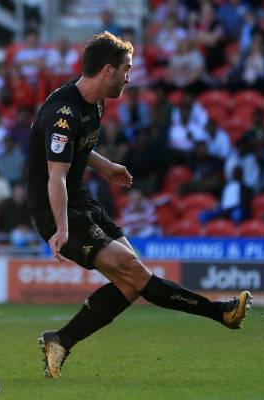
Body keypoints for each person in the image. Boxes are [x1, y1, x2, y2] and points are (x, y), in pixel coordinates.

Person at [27, 32, 252, 379]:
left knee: (131, 284)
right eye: (126, 69)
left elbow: (75, 151)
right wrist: (61, 229)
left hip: (81, 199)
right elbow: (54, 177)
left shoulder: (95, 101)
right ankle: (219, 312)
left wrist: (106, 166)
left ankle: (60, 340)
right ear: (107, 70)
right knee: (134, 272)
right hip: (56, 208)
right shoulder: (63, 112)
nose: (129, 78)